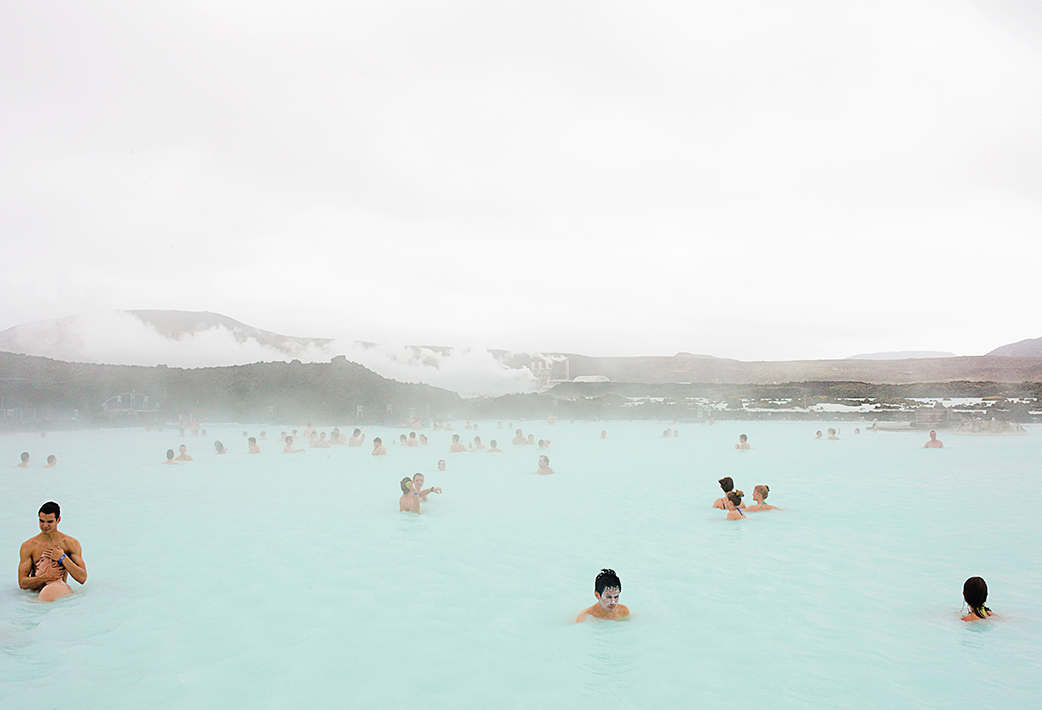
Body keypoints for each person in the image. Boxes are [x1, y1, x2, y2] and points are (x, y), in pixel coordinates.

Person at [18, 502, 87, 602]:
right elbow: (22, 583)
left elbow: (82, 578)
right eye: (41, 521)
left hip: (59, 597)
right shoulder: (29, 546)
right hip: (34, 596)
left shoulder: (70, 544)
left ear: (58, 520)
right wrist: (45, 577)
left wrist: (63, 558)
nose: (44, 525)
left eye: (49, 522)